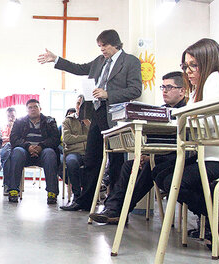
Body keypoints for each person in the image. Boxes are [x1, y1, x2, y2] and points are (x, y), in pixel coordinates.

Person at [38, 29, 142, 210]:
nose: (102, 49)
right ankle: (85, 201)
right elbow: (79, 68)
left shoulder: (130, 61)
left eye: (105, 45)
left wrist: (108, 94)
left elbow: (135, 90)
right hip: (97, 112)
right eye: (100, 46)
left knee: (116, 160)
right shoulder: (100, 61)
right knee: (92, 158)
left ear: (115, 44)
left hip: (116, 116)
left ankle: (114, 205)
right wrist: (56, 59)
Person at [157, 39, 219, 250]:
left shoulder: (217, 78)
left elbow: (205, 123)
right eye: (185, 66)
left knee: (174, 182)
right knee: (161, 175)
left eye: (193, 65)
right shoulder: (200, 87)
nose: (188, 71)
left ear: (208, 61)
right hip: (210, 155)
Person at [87, 71, 187, 222]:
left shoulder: (186, 111)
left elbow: (184, 143)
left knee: (150, 166)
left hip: (178, 158)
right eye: (162, 87)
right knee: (129, 165)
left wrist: (152, 157)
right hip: (159, 156)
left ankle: (119, 211)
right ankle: (113, 208)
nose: (164, 91)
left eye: (169, 87)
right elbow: (154, 138)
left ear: (182, 91)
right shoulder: (159, 111)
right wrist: (147, 155)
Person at [7, 99, 60, 204]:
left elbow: (55, 139)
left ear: (40, 108)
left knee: (50, 153)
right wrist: (28, 146)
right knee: (17, 151)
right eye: (30, 107)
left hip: (43, 152)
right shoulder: (19, 121)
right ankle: (13, 190)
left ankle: (52, 192)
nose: (33, 109)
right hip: (25, 153)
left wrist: (41, 146)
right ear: (27, 110)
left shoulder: (50, 121)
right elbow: (14, 138)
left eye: (35, 107)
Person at [63, 95, 90, 202]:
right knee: (71, 162)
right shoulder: (68, 121)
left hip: (90, 152)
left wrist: (89, 125)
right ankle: (77, 195)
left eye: (82, 104)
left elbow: (98, 138)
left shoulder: (93, 120)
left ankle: (90, 195)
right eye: (78, 103)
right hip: (73, 152)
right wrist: (87, 137)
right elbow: (67, 139)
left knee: (96, 163)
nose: (80, 106)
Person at [0, 107, 16, 195]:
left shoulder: (18, 127)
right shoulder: (2, 127)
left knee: (8, 148)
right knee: (7, 156)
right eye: (8, 116)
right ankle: (8, 185)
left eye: (12, 116)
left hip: (15, 149)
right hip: (3, 150)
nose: (10, 118)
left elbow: (16, 139)